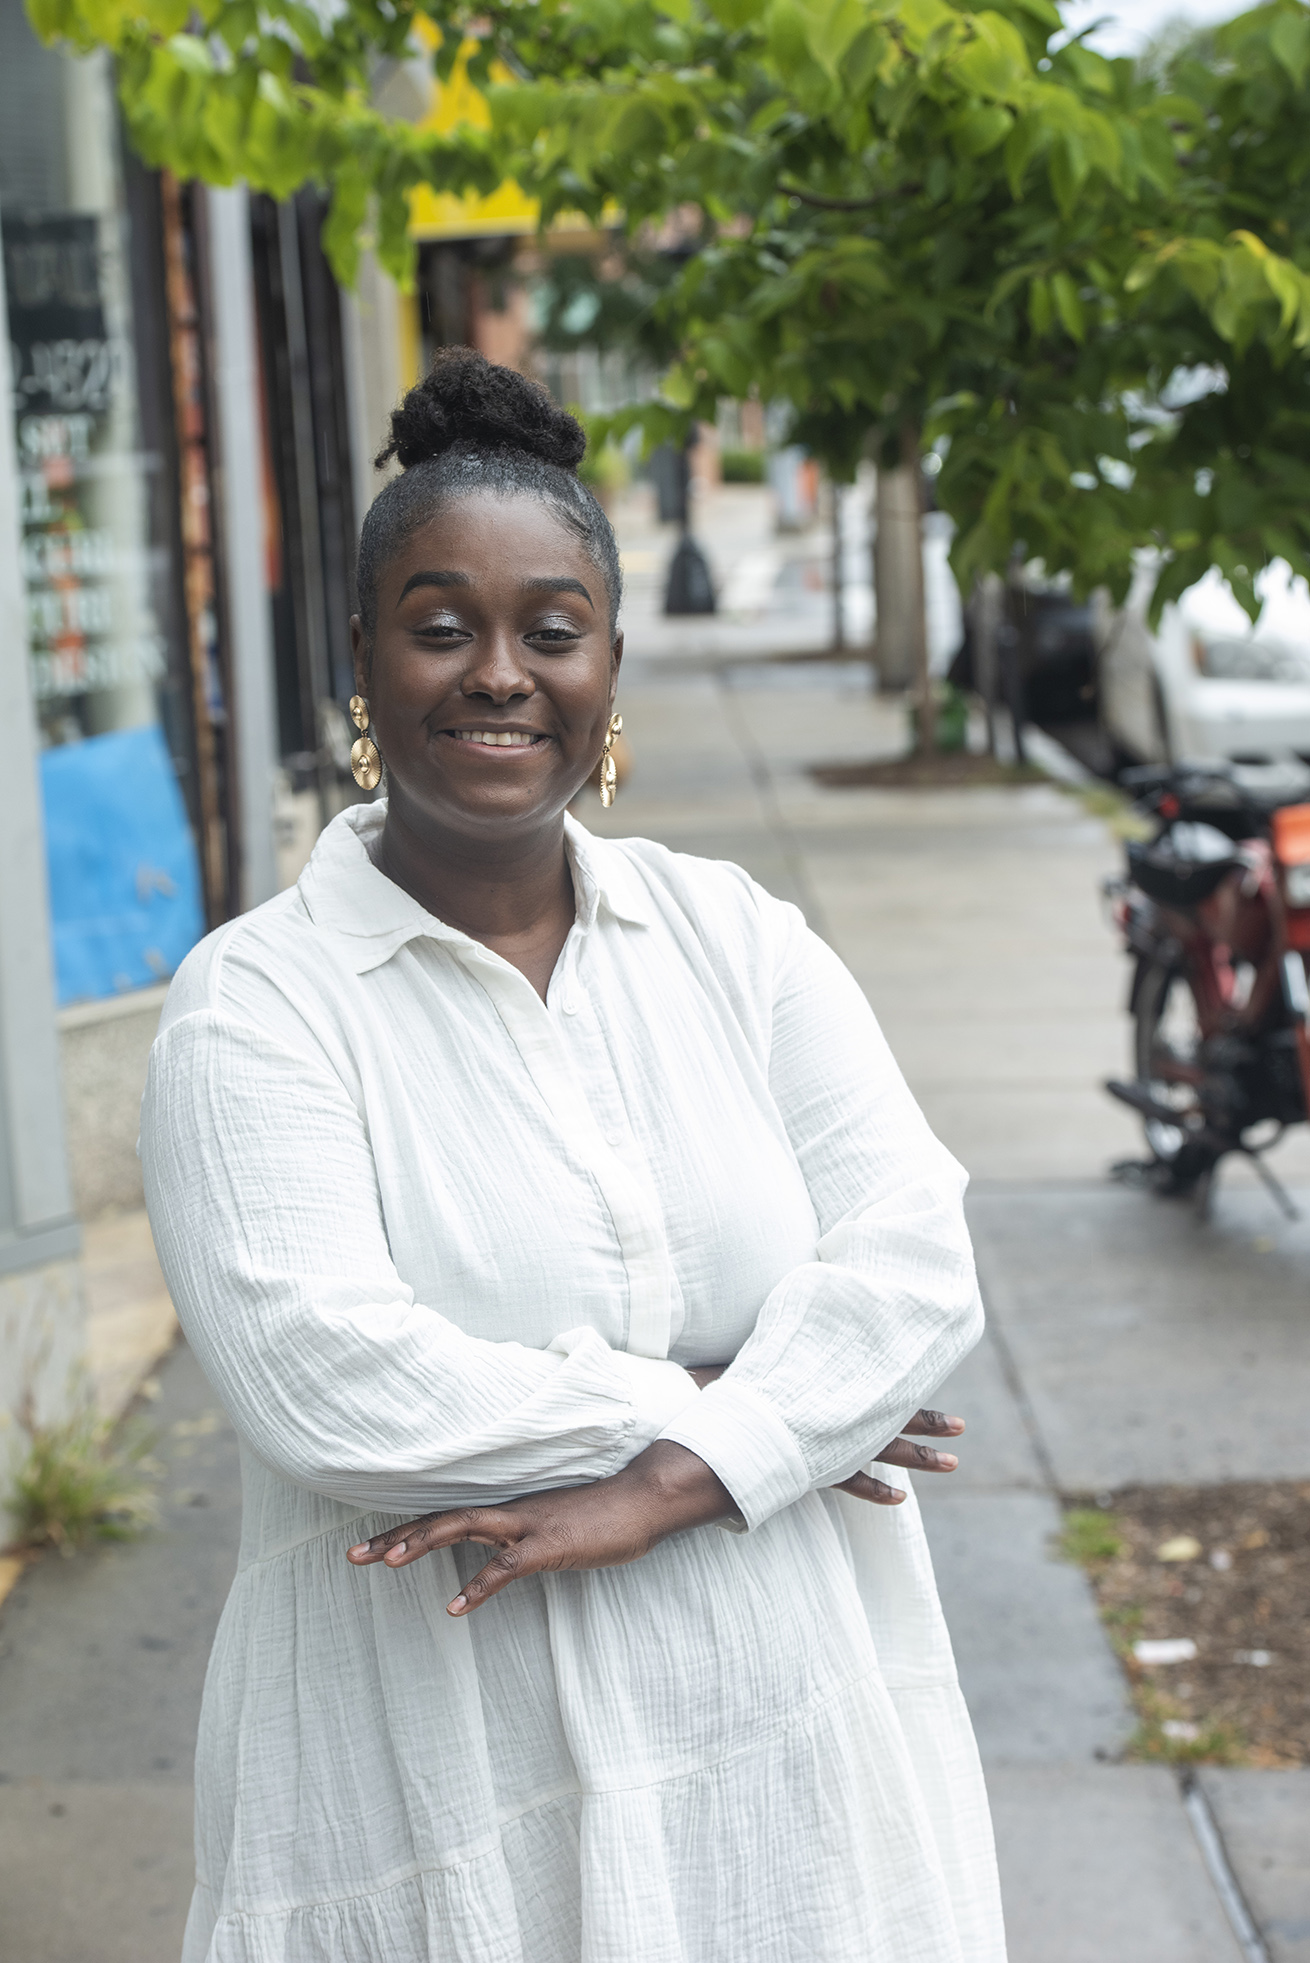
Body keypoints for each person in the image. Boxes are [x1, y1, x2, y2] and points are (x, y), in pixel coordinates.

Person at [141, 348, 1006, 1962]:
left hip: (778, 1740)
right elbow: (324, 1377)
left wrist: (675, 1481)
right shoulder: (255, 1006)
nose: (500, 674)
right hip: (440, 1763)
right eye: (440, 626)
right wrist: (759, 1416)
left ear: (610, 662)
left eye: (551, 630)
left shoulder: (731, 937)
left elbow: (913, 1264)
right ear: (361, 658)